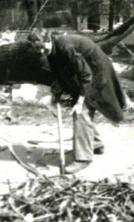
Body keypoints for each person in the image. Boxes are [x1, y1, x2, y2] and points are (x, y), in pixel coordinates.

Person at [39, 32, 128, 174]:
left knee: (81, 112)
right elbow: (60, 71)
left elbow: (86, 75)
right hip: (87, 72)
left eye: (42, 47)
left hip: (96, 71)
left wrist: (79, 101)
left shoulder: (65, 46)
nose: (41, 52)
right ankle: (95, 144)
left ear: (48, 39)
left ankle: (83, 159)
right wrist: (58, 87)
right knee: (82, 109)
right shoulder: (52, 49)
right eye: (37, 48)